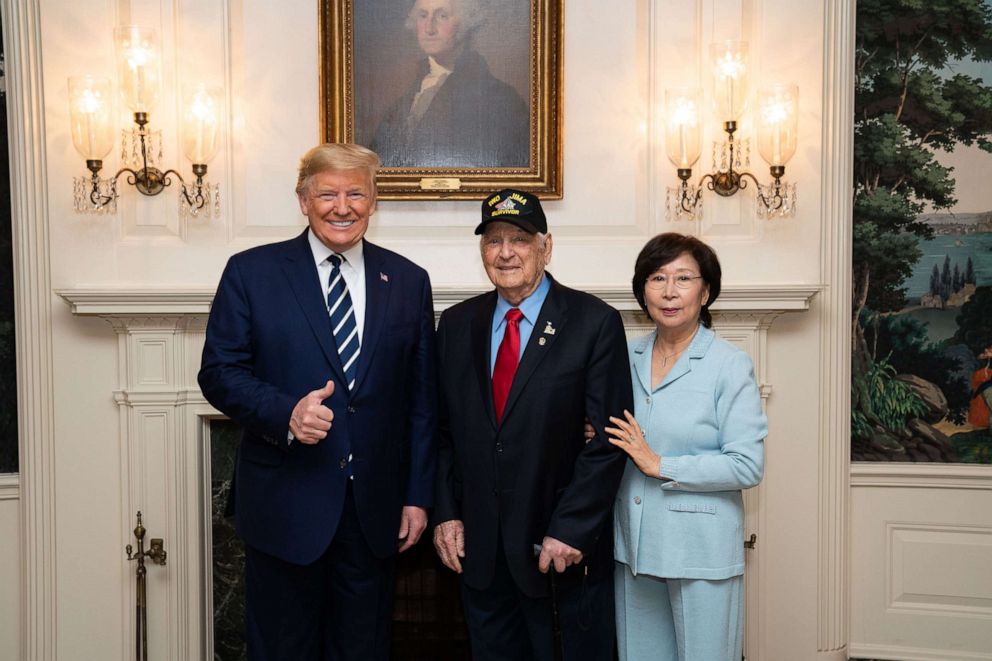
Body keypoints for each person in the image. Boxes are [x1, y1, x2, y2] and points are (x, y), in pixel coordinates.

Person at [198, 143, 437, 661]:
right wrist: (285, 412)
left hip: (374, 512)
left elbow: (421, 401)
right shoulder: (251, 272)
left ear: (374, 202)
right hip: (285, 504)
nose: (342, 206)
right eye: (328, 193)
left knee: (362, 649)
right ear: (303, 200)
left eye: (357, 193)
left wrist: (418, 496)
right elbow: (218, 373)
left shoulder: (409, 281)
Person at [432, 188, 633, 661]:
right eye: (493, 240)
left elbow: (609, 440)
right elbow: (440, 431)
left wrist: (572, 528)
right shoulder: (457, 324)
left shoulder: (593, 322)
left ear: (546, 246)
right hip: (478, 553)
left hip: (557, 552)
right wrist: (445, 512)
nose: (505, 252)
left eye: (519, 239)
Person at [604, 232, 766, 661]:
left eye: (683, 278)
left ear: (706, 291)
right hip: (633, 548)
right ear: (643, 289)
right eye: (657, 278)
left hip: (701, 553)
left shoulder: (729, 364)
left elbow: (747, 465)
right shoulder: (623, 356)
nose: (669, 291)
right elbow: (619, 433)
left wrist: (660, 464)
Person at [370, 0, 529, 168]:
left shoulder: (502, 100)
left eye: (442, 16)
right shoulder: (406, 99)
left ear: (466, 23)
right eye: (423, 15)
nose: (429, 28)